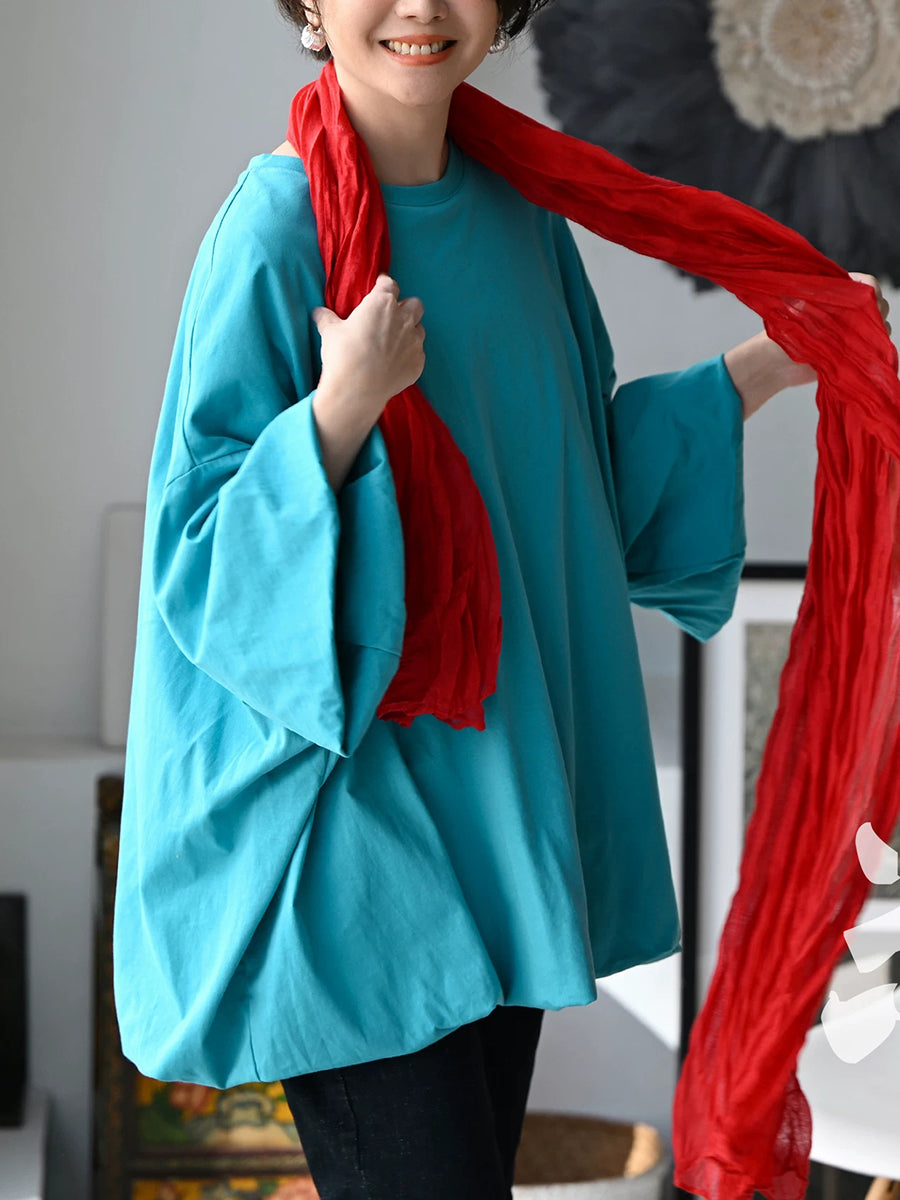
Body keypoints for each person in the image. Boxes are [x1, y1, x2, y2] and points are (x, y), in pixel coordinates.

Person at [112, 0, 892, 1195]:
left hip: (504, 815)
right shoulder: (276, 226)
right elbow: (202, 562)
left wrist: (767, 362)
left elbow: (571, 500)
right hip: (356, 842)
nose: (422, 6)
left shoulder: (525, 217)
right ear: (310, 6)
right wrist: (343, 407)